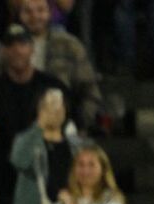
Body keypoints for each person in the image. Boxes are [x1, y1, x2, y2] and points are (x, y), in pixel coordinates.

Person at [0, 25, 66, 204]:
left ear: (32, 48)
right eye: (11, 45)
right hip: (3, 182)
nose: (17, 50)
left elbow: (68, 136)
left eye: (23, 44)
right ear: (3, 51)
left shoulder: (52, 87)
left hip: (45, 179)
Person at [18, 0, 100, 131]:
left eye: (40, 10)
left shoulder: (70, 46)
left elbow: (90, 92)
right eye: (28, 11)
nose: (34, 16)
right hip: (21, 127)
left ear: (49, 13)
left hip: (64, 128)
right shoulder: (9, 50)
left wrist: (78, 125)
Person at [8, 87, 76, 204]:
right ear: (40, 109)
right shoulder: (26, 139)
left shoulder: (75, 144)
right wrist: (39, 126)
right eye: (49, 105)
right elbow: (19, 160)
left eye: (59, 105)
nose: (55, 109)